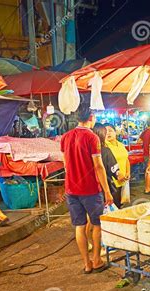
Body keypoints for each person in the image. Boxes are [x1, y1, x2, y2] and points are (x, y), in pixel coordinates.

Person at [61, 106, 113, 274]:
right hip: (90, 189)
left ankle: (86, 264)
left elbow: (65, 165)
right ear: (91, 117)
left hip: (71, 189)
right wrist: (107, 190)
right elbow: (98, 166)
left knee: (79, 226)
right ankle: (97, 260)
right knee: (97, 224)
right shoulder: (92, 137)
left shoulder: (65, 137)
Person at [93, 124, 122, 208]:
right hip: (103, 189)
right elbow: (115, 171)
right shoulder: (105, 151)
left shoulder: (84, 150)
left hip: (87, 191)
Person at [105, 124, 130, 208]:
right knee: (114, 206)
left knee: (120, 204)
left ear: (116, 132)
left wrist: (128, 172)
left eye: (110, 131)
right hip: (113, 182)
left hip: (123, 180)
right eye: (105, 131)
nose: (108, 133)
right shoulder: (105, 146)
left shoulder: (121, 145)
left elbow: (126, 159)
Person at [138, 118, 150, 194]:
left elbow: (139, 141)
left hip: (145, 153)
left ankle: (147, 187)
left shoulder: (145, 131)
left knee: (147, 171)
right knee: (149, 171)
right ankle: (148, 189)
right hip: (149, 154)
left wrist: (144, 144)